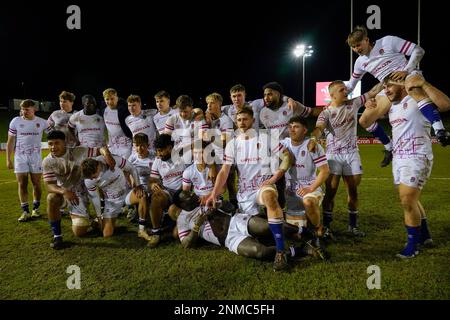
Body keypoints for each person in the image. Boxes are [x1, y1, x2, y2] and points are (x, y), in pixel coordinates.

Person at [364, 74, 450, 258]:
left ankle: (413, 246)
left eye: (389, 86)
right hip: (399, 158)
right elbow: (366, 122)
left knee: (407, 199)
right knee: (411, 199)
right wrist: (369, 106)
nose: (385, 90)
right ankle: (425, 235)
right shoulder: (391, 107)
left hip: (418, 155)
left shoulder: (415, 97)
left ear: (402, 85)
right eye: (384, 87)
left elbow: (444, 104)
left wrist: (439, 128)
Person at [346, 26, 450, 167]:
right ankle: (390, 148)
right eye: (353, 47)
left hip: (408, 76)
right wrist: (338, 93)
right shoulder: (360, 63)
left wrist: (406, 71)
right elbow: (351, 85)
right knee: (364, 120)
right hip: (388, 87)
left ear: (366, 40)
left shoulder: (387, 41)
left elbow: (418, 50)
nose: (356, 49)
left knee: (412, 86)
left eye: (358, 45)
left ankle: (439, 130)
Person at [205, 107, 293, 272]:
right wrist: (214, 194)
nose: (242, 123)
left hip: (263, 186)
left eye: (245, 119)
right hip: (244, 193)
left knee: (270, 199)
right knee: (260, 232)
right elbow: (224, 171)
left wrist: (274, 178)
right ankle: (297, 232)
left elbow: (287, 156)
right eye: (239, 120)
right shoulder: (233, 144)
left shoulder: (266, 138)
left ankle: (281, 252)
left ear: (253, 120)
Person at [311, 81, 384, 237]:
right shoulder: (326, 113)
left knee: (353, 191)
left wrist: (384, 80)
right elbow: (319, 128)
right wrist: (313, 138)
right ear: (332, 95)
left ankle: (353, 227)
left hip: (352, 154)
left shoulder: (354, 103)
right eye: (341, 90)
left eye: (345, 89)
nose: (346, 91)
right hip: (333, 156)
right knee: (330, 192)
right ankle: (327, 227)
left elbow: (372, 91)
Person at [175, 191, 322, 261]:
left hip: (235, 221)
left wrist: (219, 203)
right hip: (228, 239)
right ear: (182, 204)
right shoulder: (182, 219)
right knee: (259, 252)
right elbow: (186, 244)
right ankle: (300, 250)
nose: (194, 195)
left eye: (192, 193)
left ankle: (307, 232)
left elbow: (230, 207)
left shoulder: (204, 199)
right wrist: (196, 227)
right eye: (189, 196)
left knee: (266, 226)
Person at [264, 116, 330, 248]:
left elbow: (324, 171)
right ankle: (317, 229)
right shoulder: (284, 144)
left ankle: (317, 231)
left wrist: (311, 188)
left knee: (308, 202)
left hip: (309, 185)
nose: (292, 129)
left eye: (296, 127)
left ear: (305, 130)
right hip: (291, 190)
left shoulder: (312, 146)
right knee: (295, 235)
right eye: (290, 127)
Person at [42, 130, 115, 249]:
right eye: (50, 144)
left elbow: (100, 148)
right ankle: (57, 237)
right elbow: (49, 185)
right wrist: (64, 191)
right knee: (51, 198)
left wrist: (107, 154)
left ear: (65, 142)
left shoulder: (79, 151)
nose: (53, 147)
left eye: (57, 143)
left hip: (84, 192)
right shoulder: (47, 161)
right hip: (66, 195)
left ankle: (98, 217)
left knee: (79, 232)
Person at [81, 154, 147, 238]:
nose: (93, 179)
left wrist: (137, 185)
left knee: (142, 195)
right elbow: (95, 198)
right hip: (111, 202)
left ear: (97, 166)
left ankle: (142, 229)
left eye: (94, 176)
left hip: (126, 193)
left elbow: (131, 168)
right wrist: (98, 215)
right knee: (107, 234)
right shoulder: (88, 180)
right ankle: (98, 221)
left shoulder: (112, 160)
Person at [7, 99, 49, 221]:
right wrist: (9, 159)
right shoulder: (16, 121)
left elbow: (53, 135)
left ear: (34, 109)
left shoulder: (42, 122)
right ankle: (25, 211)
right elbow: (10, 141)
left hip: (36, 157)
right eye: (22, 109)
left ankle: (35, 209)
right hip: (20, 157)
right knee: (22, 183)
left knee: (36, 183)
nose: (24, 112)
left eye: (27, 109)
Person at [148, 134, 187, 247]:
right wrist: (153, 184)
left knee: (176, 235)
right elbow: (152, 179)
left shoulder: (183, 158)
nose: (158, 154)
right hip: (168, 193)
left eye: (161, 151)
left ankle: (175, 222)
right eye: (157, 151)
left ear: (170, 148)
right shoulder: (158, 161)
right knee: (156, 197)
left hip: (183, 193)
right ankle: (156, 232)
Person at [102, 88, 133, 159]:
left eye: (112, 99)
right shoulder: (104, 110)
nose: (110, 102)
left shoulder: (124, 110)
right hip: (112, 146)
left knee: (125, 167)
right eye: (107, 99)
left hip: (125, 146)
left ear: (117, 98)